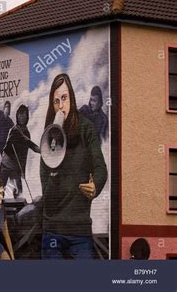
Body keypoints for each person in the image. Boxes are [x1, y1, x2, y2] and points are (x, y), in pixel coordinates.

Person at [40, 73, 108, 259]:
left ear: (71, 98)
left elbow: (100, 166)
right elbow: (47, 194)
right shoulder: (48, 137)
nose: (61, 106)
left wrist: (96, 186)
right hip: (52, 230)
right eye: (56, 101)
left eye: (64, 98)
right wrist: (53, 163)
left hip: (80, 231)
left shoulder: (86, 128)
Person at [0, 104, 40, 198]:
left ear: (27, 117)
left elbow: (24, 154)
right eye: (20, 115)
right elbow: (26, 143)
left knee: (18, 191)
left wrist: (22, 171)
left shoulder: (27, 133)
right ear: (17, 116)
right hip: (6, 163)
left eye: (24, 115)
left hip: (16, 167)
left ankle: (18, 211)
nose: (22, 117)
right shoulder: (15, 129)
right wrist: (37, 148)